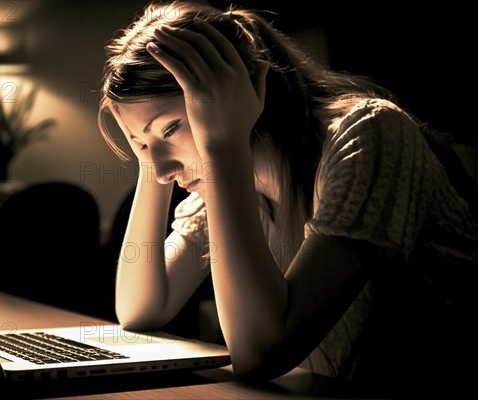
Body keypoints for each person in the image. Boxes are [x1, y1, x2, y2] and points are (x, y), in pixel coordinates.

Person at [97, 1, 478, 397]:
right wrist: (149, 157)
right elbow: (139, 309)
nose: (162, 171)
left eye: (171, 127)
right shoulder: (222, 183)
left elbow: (258, 355)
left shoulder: (368, 135)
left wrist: (222, 147)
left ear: (235, 96)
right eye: (141, 143)